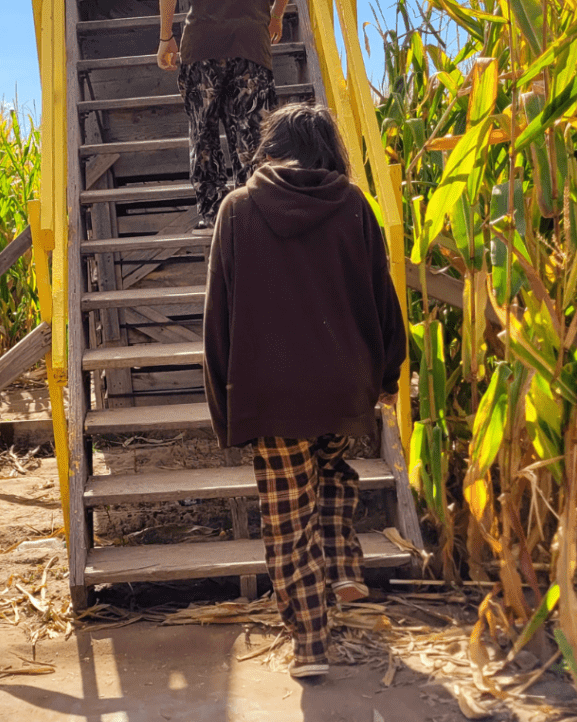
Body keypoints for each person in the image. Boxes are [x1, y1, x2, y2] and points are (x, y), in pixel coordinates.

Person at [202, 103, 406, 682]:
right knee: (334, 468)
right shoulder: (355, 206)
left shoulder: (237, 209)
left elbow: (219, 316)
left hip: (272, 395)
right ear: (328, 152)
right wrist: (388, 377)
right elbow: (381, 297)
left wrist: (224, 407)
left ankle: (311, 643)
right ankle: (342, 566)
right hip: (343, 385)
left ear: (271, 148)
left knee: (288, 518)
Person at [157, 0, 287, 232]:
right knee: (253, 139)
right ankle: (254, 213)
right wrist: (276, 15)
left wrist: (166, 37)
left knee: (203, 136)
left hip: (201, 43)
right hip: (251, 42)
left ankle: (213, 215)